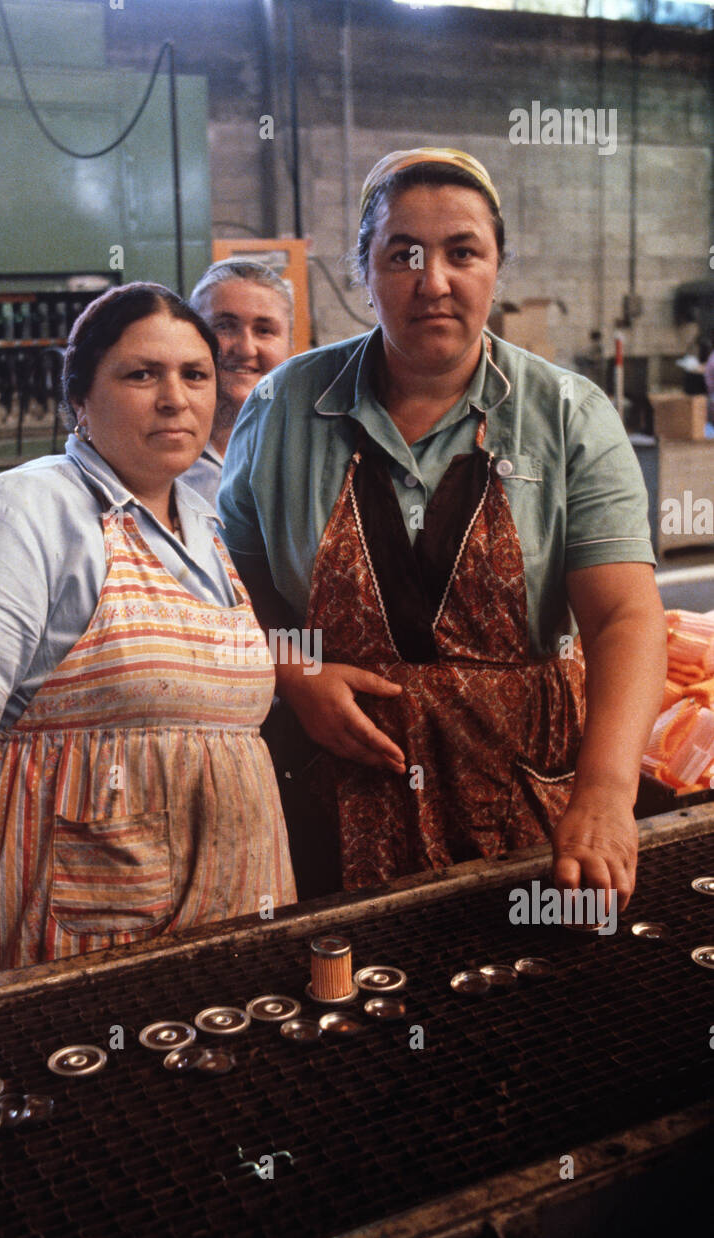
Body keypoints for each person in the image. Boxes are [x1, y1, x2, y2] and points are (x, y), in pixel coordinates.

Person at [218, 148, 667, 911]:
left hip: (525, 799)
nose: (434, 281)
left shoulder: (565, 413)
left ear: (497, 267)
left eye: (463, 252)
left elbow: (624, 616)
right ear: (365, 270)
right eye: (403, 255)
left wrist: (606, 792)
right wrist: (296, 675)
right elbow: (230, 596)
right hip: (331, 794)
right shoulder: (284, 407)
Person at [0, 283, 296, 1029]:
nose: (175, 398)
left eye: (194, 375)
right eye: (140, 374)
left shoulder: (207, 521)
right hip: (82, 921)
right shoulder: (20, 513)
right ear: (78, 398)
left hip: (231, 900)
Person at [182, 259, 294, 504]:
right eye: (224, 326)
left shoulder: (311, 451)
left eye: (264, 330)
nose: (246, 349)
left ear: (290, 345)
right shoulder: (155, 455)